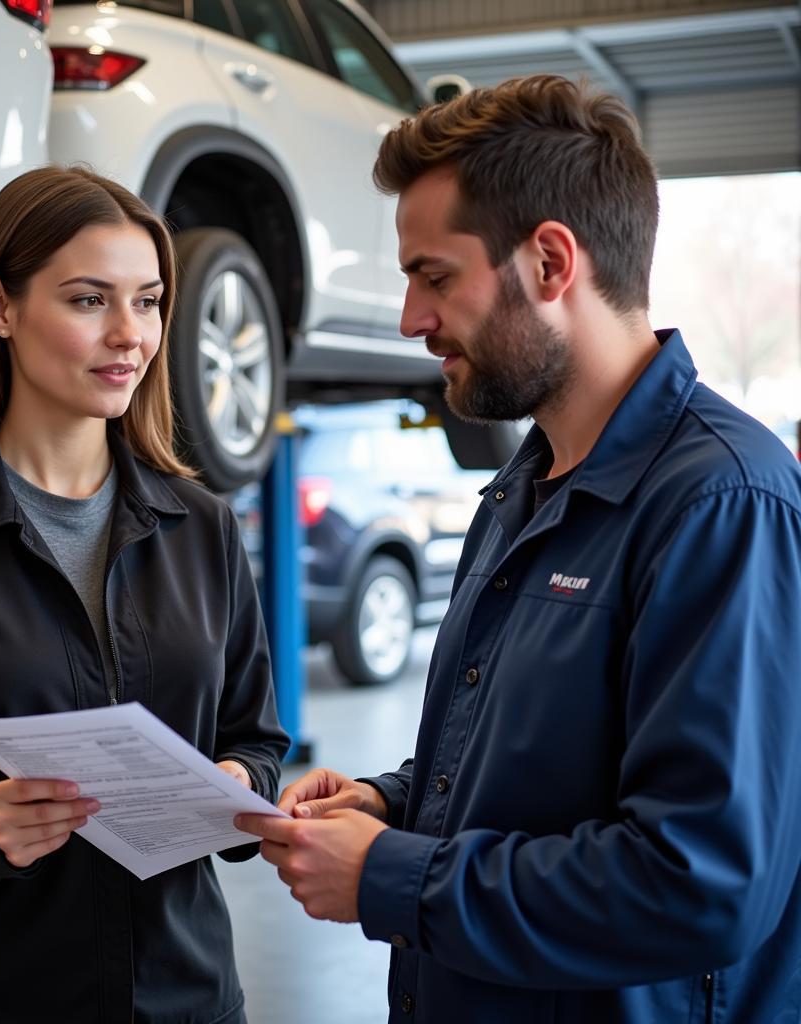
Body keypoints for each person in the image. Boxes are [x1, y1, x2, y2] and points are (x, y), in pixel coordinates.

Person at [237, 75, 801, 1022]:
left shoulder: (719, 503)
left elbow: (699, 880)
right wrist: (390, 805)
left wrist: (391, 878)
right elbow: (526, 768)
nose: (414, 320)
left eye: (435, 276)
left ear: (549, 262)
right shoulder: (520, 491)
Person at [0, 165, 289, 1023]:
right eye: (87, 300)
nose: (129, 336)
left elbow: (256, 736)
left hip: (185, 998)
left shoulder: (203, 528)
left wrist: (229, 782)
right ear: (1, 308)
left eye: (147, 302)